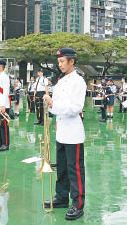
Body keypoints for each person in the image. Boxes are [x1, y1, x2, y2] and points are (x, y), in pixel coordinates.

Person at [43, 47, 86, 221]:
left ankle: (78, 204)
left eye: (62, 61)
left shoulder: (79, 82)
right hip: (61, 130)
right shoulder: (60, 82)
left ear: (72, 61)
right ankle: (61, 197)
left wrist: (52, 104)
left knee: (74, 169)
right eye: (59, 62)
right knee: (61, 167)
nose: (60, 64)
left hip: (73, 132)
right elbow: (58, 107)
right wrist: (52, 108)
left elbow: (76, 108)